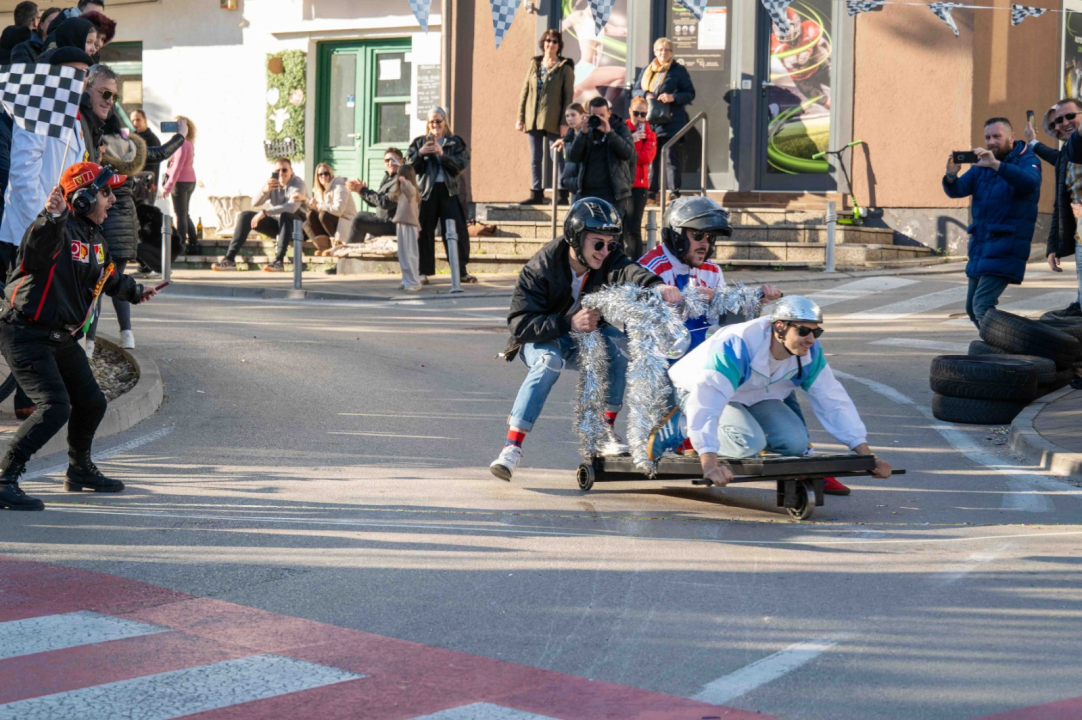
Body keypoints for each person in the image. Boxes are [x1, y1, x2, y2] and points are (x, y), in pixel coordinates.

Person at [638, 196, 852, 496]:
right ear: (675, 234)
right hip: (668, 365)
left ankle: (801, 456)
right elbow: (634, 316)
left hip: (711, 357)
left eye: (710, 238)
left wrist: (755, 300)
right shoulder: (650, 267)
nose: (705, 244)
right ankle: (682, 427)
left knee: (782, 374)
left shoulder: (711, 271)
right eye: (697, 235)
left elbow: (724, 320)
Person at [0, 162, 158, 512]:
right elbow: (35, 253)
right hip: (25, 332)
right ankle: (5, 479)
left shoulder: (94, 239)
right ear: (83, 198)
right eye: (106, 194)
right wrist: (52, 217)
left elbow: (107, 278)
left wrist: (136, 291)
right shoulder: (54, 229)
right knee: (55, 406)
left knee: (92, 402)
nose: (112, 202)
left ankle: (79, 470)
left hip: (60, 337)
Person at [489, 197, 681, 481]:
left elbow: (629, 270)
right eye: (598, 243)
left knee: (620, 351)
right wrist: (568, 322)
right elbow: (519, 325)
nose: (605, 251)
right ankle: (511, 448)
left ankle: (604, 433)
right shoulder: (540, 268)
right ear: (575, 238)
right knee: (548, 362)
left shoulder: (609, 257)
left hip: (587, 335)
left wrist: (657, 285)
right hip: (544, 338)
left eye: (610, 243)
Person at [649, 297, 892, 491]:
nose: (810, 340)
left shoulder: (809, 352)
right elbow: (708, 401)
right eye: (804, 331)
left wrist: (867, 456)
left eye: (815, 333)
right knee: (747, 443)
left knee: (795, 443)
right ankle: (682, 427)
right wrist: (709, 463)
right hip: (695, 390)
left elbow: (833, 401)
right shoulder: (737, 345)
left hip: (753, 395)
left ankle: (728, 431)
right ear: (780, 327)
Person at [84, 116, 185, 354]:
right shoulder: (131, 148)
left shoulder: (95, 147)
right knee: (118, 279)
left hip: (102, 220)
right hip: (126, 224)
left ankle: (88, 345)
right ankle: (127, 335)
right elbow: (160, 153)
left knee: (96, 286)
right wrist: (179, 136)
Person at [944, 117, 1041, 329]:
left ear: (1012, 137)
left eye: (997, 136)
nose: (991, 141)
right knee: (972, 308)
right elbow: (958, 190)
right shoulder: (981, 166)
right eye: (988, 137)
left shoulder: (1027, 159)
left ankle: (1000, 354)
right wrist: (951, 175)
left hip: (1007, 245)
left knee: (982, 305)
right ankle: (998, 347)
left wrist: (996, 165)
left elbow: (1029, 183)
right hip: (981, 246)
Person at [408, 108, 474, 284]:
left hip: (450, 191)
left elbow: (460, 165)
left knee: (456, 231)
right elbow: (410, 168)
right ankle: (423, 272)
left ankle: (460, 271)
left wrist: (442, 154)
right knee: (424, 232)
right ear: (427, 124)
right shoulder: (419, 142)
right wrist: (420, 154)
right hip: (427, 192)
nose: (435, 125)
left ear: (445, 121)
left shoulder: (455, 142)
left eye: (438, 121)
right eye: (432, 122)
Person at [211, 157, 306, 273]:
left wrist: (266, 212)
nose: (281, 173)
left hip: (297, 227)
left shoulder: (298, 184)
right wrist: (265, 190)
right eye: (277, 171)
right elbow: (254, 203)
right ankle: (229, 259)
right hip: (278, 226)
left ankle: (279, 261)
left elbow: (291, 207)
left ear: (291, 170)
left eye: (284, 170)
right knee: (245, 216)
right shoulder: (273, 183)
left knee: (285, 215)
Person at [1032, 99, 1082, 319]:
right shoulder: (1065, 156)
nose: (1063, 123)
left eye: (1070, 116)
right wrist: (1054, 245)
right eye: (1057, 122)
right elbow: (1060, 205)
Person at [516, 29, 574, 206]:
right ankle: (536, 193)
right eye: (548, 41)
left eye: (554, 41)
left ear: (559, 45)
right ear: (543, 43)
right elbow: (525, 91)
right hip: (533, 117)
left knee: (555, 155)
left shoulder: (564, 67)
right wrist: (520, 117)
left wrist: (565, 122)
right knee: (535, 157)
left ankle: (562, 194)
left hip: (553, 118)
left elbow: (568, 96)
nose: (550, 44)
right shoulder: (534, 64)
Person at [633, 37, 695, 200]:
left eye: (667, 50)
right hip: (648, 120)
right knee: (649, 156)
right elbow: (635, 90)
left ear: (671, 52)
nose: (663, 53)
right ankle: (651, 192)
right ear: (655, 52)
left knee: (670, 156)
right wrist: (645, 94)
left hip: (670, 120)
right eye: (660, 50)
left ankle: (674, 192)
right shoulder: (647, 69)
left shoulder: (678, 70)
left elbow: (690, 93)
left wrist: (673, 97)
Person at [565, 97, 635, 234]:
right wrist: (582, 134)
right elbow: (573, 157)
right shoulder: (587, 129)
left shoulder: (620, 128)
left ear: (609, 113)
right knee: (582, 234)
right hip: (587, 192)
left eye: (602, 115)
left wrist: (610, 132)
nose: (598, 119)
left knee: (612, 237)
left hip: (613, 194)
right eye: (595, 115)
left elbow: (628, 154)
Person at [345, 148, 401, 244]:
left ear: (402, 161)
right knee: (360, 216)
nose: (390, 163)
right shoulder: (388, 178)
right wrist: (361, 192)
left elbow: (386, 203)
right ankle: (351, 252)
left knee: (360, 219)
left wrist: (363, 190)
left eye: (394, 159)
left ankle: (347, 254)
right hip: (383, 220)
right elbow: (377, 203)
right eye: (387, 160)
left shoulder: (401, 179)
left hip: (394, 225)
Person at [300, 162, 356, 255]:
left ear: (331, 174)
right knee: (310, 215)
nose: (323, 176)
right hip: (334, 222)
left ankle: (337, 245)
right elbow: (317, 208)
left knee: (324, 215)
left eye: (326, 173)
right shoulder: (319, 191)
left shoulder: (340, 187)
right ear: (317, 177)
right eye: (320, 174)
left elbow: (338, 210)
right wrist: (305, 200)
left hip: (347, 223)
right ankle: (324, 247)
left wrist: (318, 204)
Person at [160, 115, 197, 255]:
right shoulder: (188, 142)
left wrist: (167, 187)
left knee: (180, 215)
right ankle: (193, 241)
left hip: (181, 183)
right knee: (184, 214)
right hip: (189, 181)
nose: (175, 128)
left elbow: (177, 168)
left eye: (177, 125)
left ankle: (181, 245)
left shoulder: (182, 144)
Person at [625, 96, 657, 260]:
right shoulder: (622, 129)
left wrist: (627, 147)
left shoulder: (650, 133)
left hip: (639, 185)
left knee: (633, 228)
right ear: (630, 111)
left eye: (643, 114)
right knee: (618, 227)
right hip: (620, 183)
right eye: (636, 113)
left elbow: (646, 158)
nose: (639, 118)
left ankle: (636, 264)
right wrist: (631, 139)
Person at [391, 165, 422, 291]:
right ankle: (406, 280)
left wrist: (405, 182)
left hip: (409, 225)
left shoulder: (410, 190)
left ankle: (414, 282)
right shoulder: (402, 194)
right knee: (403, 255)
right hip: (402, 224)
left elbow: (409, 190)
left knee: (409, 254)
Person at [554, 103, 585, 205]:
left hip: (585, 185)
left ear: (582, 115)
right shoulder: (569, 136)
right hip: (573, 184)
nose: (570, 119)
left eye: (573, 115)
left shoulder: (587, 134)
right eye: (567, 116)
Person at [130, 110, 162, 187]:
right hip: (133, 182)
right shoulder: (132, 136)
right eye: (133, 120)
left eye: (138, 119)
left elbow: (153, 164)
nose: (135, 123)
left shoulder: (152, 139)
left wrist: (148, 183)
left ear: (145, 119)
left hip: (145, 184)